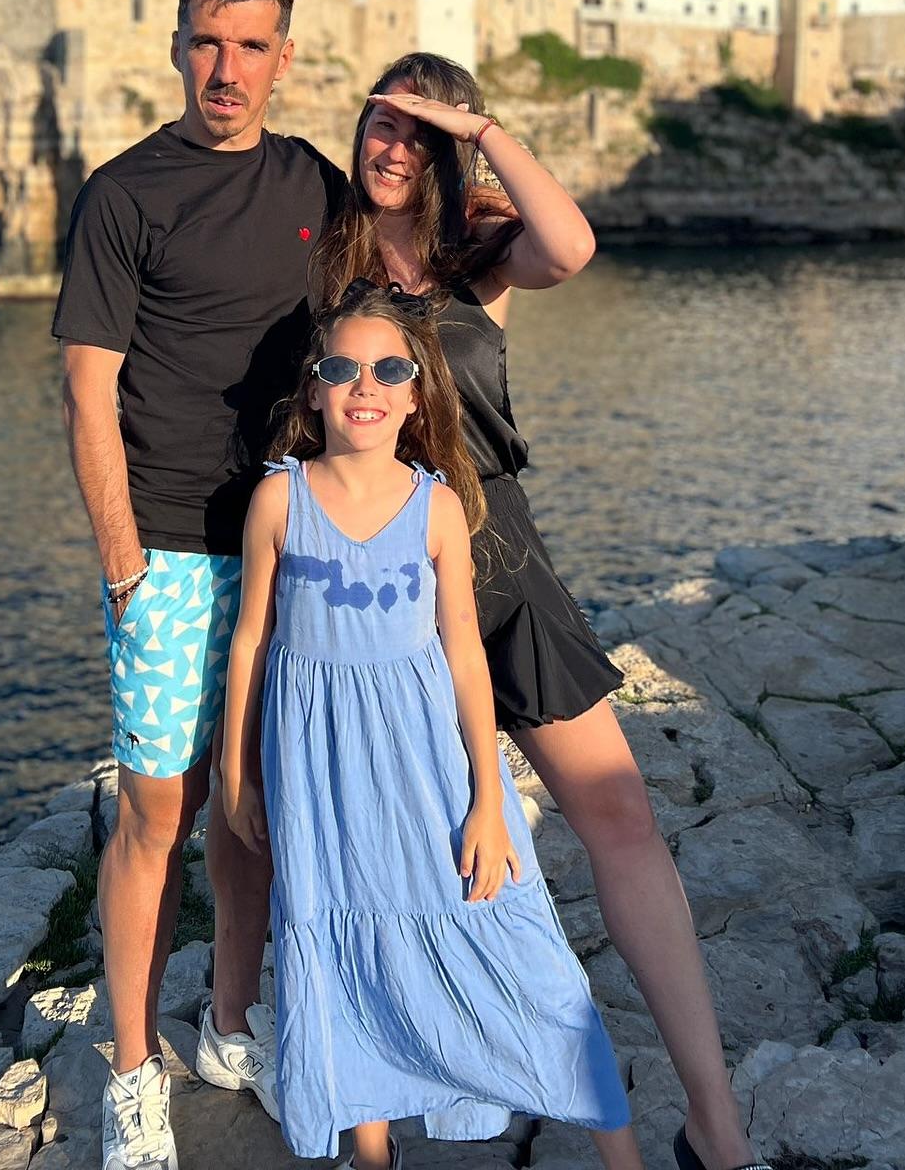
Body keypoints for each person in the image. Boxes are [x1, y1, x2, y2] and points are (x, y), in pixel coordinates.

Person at [313, 53, 769, 1170]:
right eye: (380, 123)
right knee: (389, 853)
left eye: (419, 133)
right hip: (378, 579)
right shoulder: (321, 246)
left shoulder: (478, 249)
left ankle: (715, 1125)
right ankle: (383, 1117)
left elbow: (572, 246)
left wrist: (482, 129)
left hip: (501, 563)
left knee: (620, 817)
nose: (392, 147)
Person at [221, 280, 642, 1170]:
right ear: (313, 391)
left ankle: (622, 1151)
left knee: (513, 942)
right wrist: (236, 772)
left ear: (416, 396)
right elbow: (251, 639)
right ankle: (372, 1152)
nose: (364, 387)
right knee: (341, 941)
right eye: (341, 369)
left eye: (389, 371)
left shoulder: (438, 506)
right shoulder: (279, 501)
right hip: (318, 777)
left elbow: (464, 658)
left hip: (425, 769)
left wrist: (490, 798)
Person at [54, 0, 342, 1170]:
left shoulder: (317, 183)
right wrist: (124, 569)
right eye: (208, 42)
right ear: (178, 47)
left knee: (253, 804)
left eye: (251, 45)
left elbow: (413, 286)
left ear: (284, 57)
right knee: (156, 815)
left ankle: (228, 1028)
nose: (227, 68)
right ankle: (130, 1074)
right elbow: (88, 393)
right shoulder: (124, 194)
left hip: (288, 542)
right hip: (168, 553)